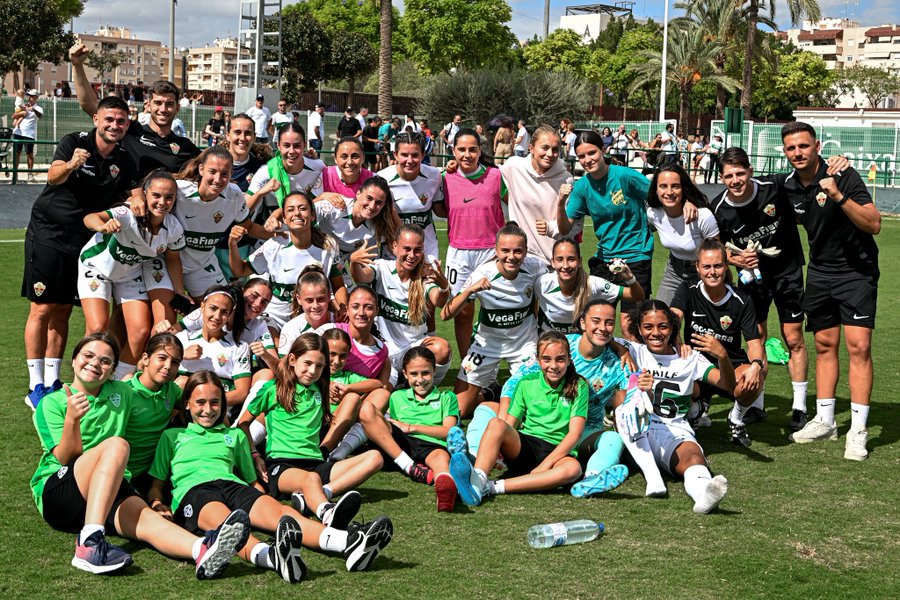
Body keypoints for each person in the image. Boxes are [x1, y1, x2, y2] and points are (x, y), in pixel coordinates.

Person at [30, 333, 249, 577]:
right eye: (88, 356)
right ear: (73, 360)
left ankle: (202, 549)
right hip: (60, 493)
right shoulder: (52, 403)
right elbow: (64, 459)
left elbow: (180, 393)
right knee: (117, 445)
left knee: (147, 519)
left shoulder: (122, 391)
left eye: (105, 361)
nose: (95, 363)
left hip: (106, 489)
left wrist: (176, 377)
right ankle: (89, 544)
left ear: (112, 370)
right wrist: (72, 419)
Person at [151, 370, 393, 579]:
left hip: (233, 486)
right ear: (187, 404)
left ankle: (348, 542)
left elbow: (251, 479)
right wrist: (157, 502)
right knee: (229, 528)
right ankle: (272, 557)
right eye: (200, 403)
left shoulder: (234, 436)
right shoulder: (172, 437)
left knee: (282, 514)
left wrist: (264, 500)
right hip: (195, 492)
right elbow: (157, 484)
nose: (208, 410)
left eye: (215, 402)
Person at [23, 96, 139, 409]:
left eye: (120, 121)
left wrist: (138, 201)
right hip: (48, 233)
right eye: (109, 120)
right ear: (96, 120)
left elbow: (134, 192)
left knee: (62, 310)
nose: (114, 125)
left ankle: (52, 380)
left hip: (82, 241)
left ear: (127, 124)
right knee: (42, 309)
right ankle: (35, 385)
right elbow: (53, 175)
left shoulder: (124, 159)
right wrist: (73, 163)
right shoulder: (74, 142)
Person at [778, 122, 881, 460]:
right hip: (820, 273)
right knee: (824, 345)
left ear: (817, 146)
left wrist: (838, 195)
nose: (798, 153)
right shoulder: (788, 186)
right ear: (785, 151)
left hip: (856, 272)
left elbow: (873, 223)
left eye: (804, 146)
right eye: (791, 148)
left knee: (859, 347)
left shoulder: (843, 173)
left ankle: (858, 430)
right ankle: (825, 420)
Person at [236, 334, 385, 536]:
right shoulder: (273, 389)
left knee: (375, 458)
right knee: (310, 479)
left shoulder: (319, 389)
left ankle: (320, 495)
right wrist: (254, 455)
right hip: (282, 466)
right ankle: (328, 512)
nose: (312, 371)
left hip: (315, 463)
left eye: (319, 366)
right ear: (292, 360)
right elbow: (242, 424)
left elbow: (376, 385)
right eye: (307, 363)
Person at [557, 130, 698, 335]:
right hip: (604, 260)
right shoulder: (582, 187)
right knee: (597, 322)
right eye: (581, 156)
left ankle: (636, 367)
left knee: (629, 326)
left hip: (635, 257)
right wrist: (560, 203)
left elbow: (662, 192)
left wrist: (688, 201)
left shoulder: (625, 176)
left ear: (603, 150)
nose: (587, 160)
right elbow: (565, 229)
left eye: (592, 153)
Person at [449, 330, 588, 507]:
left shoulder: (579, 386)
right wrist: (498, 452)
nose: (553, 365)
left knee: (573, 469)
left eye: (560, 359)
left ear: (569, 360)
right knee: (496, 423)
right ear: (538, 361)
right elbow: (509, 424)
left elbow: (574, 434)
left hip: (558, 453)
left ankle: (489, 487)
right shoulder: (526, 383)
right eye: (546, 359)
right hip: (526, 445)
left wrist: (546, 464)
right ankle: (477, 479)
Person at [620, 300, 734, 512]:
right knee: (623, 407)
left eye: (662, 326)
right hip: (636, 426)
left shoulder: (689, 358)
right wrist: (620, 349)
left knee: (694, 458)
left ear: (672, 328)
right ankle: (652, 477)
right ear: (638, 328)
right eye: (648, 327)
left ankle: (703, 495)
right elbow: (599, 336)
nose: (656, 333)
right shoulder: (633, 350)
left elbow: (727, 384)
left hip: (673, 428)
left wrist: (723, 357)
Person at [79, 170, 185, 380]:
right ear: (145, 194)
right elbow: (89, 217)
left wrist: (180, 292)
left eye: (169, 197)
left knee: (140, 332)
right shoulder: (127, 214)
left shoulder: (173, 227)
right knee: (97, 327)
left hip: (129, 273)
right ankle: (84, 382)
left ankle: (116, 383)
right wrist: (102, 225)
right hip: (97, 267)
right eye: (156, 195)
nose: (162, 202)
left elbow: (173, 259)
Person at [670, 240, 766, 447]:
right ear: (697, 267)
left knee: (756, 375)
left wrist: (757, 364)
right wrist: (678, 342)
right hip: (696, 365)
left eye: (717, 266)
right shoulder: (688, 289)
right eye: (706, 266)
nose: (712, 272)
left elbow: (754, 342)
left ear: (726, 266)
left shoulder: (742, 300)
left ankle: (737, 418)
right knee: (671, 368)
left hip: (730, 366)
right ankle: (695, 410)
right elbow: (673, 318)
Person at [442, 222, 543, 417]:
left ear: (526, 251)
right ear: (496, 250)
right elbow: (446, 314)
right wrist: (470, 290)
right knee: (459, 412)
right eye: (505, 250)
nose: (511, 257)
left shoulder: (536, 266)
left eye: (517, 251)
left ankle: (505, 399)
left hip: (524, 345)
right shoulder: (482, 273)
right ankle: (489, 394)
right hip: (486, 346)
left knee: (532, 409)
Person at [70, 44, 201, 175]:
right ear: (148, 105)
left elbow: (212, 166)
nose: (163, 109)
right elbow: (89, 105)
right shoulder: (131, 131)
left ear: (177, 108)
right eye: (158, 103)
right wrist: (77, 66)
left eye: (169, 104)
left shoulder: (185, 147)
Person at [349, 224, 452, 386]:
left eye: (417, 250)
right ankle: (399, 383)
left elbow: (438, 300)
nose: (412, 255)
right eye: (407, 249)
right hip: (384, 351)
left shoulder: (424, 276)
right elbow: (361, 277)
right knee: (384, 392)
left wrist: (444, 287)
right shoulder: (383, 268)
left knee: (442, 348)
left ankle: (429, 388)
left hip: (414, 348)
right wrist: (354, 262)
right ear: (395, 247)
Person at [229, 192, 346, 333]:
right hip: (275, 319)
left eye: (302, 208)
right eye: (290, 209)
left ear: (313, 215)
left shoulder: (328, 245)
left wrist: (343, 307)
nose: (297, 213)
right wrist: (232, 245)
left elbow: (338, 284)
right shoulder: (275, 244)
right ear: (284, 218)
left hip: (312, 317)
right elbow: (240, 270)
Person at [360, 346, 460, 509]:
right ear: (405, 374)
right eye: (414, 374)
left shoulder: (447, 397)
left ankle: (445, 487)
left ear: (435, 370)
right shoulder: (397, 396)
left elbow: (448, 431)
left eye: (426, 373)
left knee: (441, 460)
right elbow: (384, 425)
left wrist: (411, 427)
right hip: (400, 444)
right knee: (366, 409)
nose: (420, 380)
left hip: (431, 445)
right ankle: (409, 466)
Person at [441, 128, 507, 356]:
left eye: (472, 149)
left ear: (480, 151)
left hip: (491, 253)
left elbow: (518, 203)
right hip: (459, 253)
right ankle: (467, 364)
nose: (467, 155)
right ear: (453, 151)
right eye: (461, 150)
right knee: (463, 311)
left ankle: (496, 362)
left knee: (496, 309)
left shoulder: (495, 176)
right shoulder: (445, 177)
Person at [499, 124, 582, 263]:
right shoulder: (513, 166)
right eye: (545, 147)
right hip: (522, 259)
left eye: (555, 150)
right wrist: (456, 165)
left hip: (552, 261)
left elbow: (573, 223)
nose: (550, 154)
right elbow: (487, 175)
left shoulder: (566, 179)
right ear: (531, 148)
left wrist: (551, 227)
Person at [646, 163, 719, 305]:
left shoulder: (702, 216)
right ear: (655, 189)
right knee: (662, 317)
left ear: (683, 188)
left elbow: (718, 251)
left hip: (703, 272)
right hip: (674, 271)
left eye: (675, 186)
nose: (669, 192)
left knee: (701, 324)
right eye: (663, 186)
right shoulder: (653, 214)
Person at [311, 176, 401, 289]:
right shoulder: (335, 205)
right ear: (358, 193)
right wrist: (321, 197)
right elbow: (301, 213)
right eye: (369, 198)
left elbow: (402, 237)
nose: (372, 206)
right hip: (316, 258)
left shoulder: (378, 225)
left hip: (342, 271)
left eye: (379, 203)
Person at [538, 239, 643, 334]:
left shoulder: (594, 284)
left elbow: (637, 296)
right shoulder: (542, 284)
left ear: (580, 261)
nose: (565, 266)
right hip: (552, 345)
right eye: (560, 259)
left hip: (582, 348)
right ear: (552, 262)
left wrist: (629, 278)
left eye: (571, 259)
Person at [175, 285, 252, 411]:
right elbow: (149, 365)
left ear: (230, 314)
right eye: (213, 308)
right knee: (182, 381)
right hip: (183, 410)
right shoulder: (182, 339)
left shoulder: (239, 347)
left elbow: (241, 393)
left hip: (217, 412)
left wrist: (207, 403)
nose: (217, 316)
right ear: (202, 306)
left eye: (224, 312)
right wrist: (180, 355)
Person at [377, 131, 445, 260]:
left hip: (427, 248)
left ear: (423, 155)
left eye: (415, 155)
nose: (409, 160)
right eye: (404, 155)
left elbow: (440, 209)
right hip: (394, 249)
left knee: (429, 281)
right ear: (395, 155)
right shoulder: (382, 178)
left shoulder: (434, 175)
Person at [249, 123, 326, 232]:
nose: (291, 151)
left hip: (308, 236)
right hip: (272, 237)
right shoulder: (266, 172)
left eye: (297, 146)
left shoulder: (318, 168)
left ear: (304, 145)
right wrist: (261, 192)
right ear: (278, 145)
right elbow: (244, 210)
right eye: (286, 145)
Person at [278, 267, 337, 356]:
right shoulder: (291, 328)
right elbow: (284, 365)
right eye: (309, 300)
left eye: (320, 299)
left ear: (329, 296)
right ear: (299, 299)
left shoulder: (340, 322)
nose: (315, 306)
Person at [12, 89, 43, 181]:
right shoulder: (23, 105)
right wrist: (22, 112)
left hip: (29, 134)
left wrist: (32, 109)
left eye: (32, 96)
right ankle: (15, 174)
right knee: (17, 153)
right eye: (28, 96)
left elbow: (40, 115)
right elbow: (13, 116)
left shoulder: (38, 108)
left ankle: (30, 174)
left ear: (36, 98)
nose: (29, 97)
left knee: (29, 154)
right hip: (18, 132)